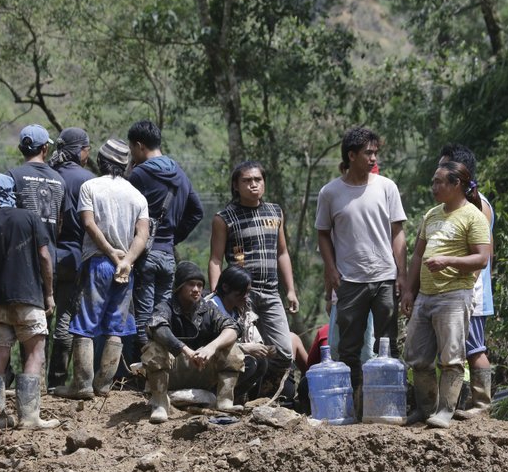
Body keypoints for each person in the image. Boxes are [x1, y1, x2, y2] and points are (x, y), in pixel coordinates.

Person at [316, 127, 406, 416]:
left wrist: (401, 273)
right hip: (349, 279)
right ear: (351, 155)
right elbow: (323, 234)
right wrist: (330, 269)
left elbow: (397, 232)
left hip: (384, 276)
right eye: (368, 152)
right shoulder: (330, 192)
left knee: (387, 343)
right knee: (350, 347)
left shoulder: (386, 187)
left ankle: (388, 403)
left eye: (375, 152)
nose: (373, 158)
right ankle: (353, 404)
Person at [54, 139, 149, 400]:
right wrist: (126, 260)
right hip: (125, 267)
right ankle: (104, 385)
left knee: (84, 322)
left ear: (101, 160)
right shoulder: (137, 195)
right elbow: (142, 235)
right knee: (115, 325)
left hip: (98, 262)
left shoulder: (90, 187)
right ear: (125, 164)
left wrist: (110, 253)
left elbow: (89, 224)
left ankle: (82, 385)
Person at [400, 161, 491, 428]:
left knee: (451, 357)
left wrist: (448, 261)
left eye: (439, 182)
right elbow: (417, 254)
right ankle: (425, 408)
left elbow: (483, 258)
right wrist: (409, 290)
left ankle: (445, 411)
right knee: (417, 355)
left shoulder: (473, 216)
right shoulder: (431, 215)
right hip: (425, 296)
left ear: (457, 185)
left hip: (454, 295)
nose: (434, 187)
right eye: (433, 181)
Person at [0, 174, 59, 429]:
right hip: (29, 299)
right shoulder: (29, 218)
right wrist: (49, 293)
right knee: (34, 351)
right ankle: (29, 417)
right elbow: (44, 257)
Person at [209, 161, 298, 399]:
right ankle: (235, 396)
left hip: (270, 292)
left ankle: (266, 397)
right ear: (236, 186)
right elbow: (216, 259)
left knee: (284, 351)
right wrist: (217, 296)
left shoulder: (275, 212)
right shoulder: (224, 218)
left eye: (257, 180)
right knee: (242, 349)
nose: (253, 185)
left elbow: (282, 252)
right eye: (247, 181)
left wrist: (290, 290)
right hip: (240, 296)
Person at [127, 120, 204, 362]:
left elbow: (126, 210)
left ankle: (145, 371)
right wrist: (173, 238)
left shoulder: (139, 174)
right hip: (168, 255)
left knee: (142, 315)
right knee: (161, 316)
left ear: (139, 146)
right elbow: (197, 211)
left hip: (144, 255)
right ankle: (161, 370)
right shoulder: (180, 173)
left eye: (132, 150)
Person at [143, 262, 244, 424]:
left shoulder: (209, 309)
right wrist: (187, 351)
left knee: (232, 348)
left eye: (199, 285)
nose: (196, 289)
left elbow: (232, 328)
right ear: (180, 287)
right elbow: (157, 328)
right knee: (154, 348)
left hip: (203, 370)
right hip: (173, 374)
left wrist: (212, 347)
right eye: (191, 284)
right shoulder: (165, 307)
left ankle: (224, 402)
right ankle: (160, 403)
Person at [438, 144, 496, 420]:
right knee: (457, 348)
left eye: (444, 168)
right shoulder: (452, 205)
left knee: (475, 348)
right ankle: (458, 403)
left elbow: (482, 252)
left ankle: (482, 405)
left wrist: (467, 287)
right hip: (453, 289)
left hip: (472, 291)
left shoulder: (479, 205)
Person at [46, 127, 95, 389]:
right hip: (75, 259)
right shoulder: (88, 180)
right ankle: (57, 382)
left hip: (45, 256)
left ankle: (34, 379)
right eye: (88, 148)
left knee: (41, 320)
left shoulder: (48, 175)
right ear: (80, 151)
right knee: (65, 319)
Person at [206, 265, 270, 404]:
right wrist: (245, 348)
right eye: (242, 292)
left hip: (225, 361)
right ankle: (214, 396)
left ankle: (234, 399)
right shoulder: (209, 309)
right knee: (248, 363)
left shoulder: (240, 311)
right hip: (207, 366)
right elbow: (209, 346)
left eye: (248, 292)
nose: (246, 297)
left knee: (261, 363)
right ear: (226, 287)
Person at [7, 124, 65, 262]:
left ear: (20, 149)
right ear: (45, 148)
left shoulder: (11, 177)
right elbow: (60, 224)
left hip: (18, 262)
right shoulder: (60, 180)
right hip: (49, 259)